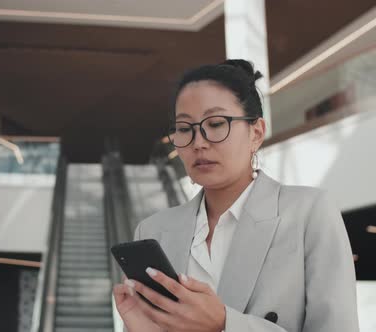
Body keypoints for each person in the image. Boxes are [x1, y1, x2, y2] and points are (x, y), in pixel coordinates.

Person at [112, 59, 359, 332]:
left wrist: (225, 323)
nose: (199, 142)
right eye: (184, 129)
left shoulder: (308, 213)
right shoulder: (154, 230)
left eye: (216, 124)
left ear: (256, 133)